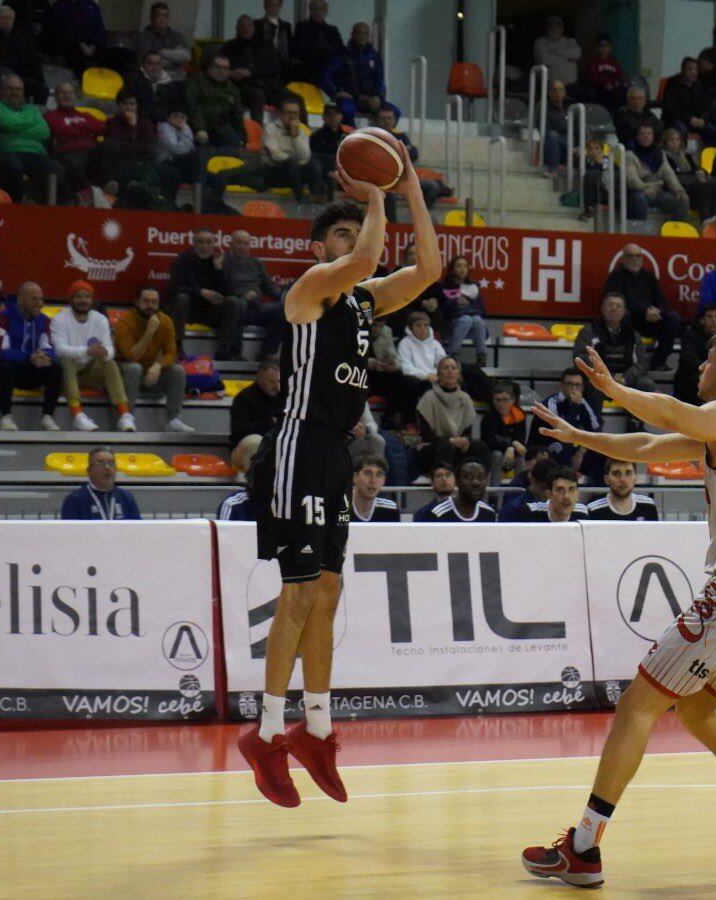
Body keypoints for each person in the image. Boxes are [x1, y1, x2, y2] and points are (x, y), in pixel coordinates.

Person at [523, 330, 716, 889]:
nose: (701, 366)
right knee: (697, 709)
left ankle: (583, 848)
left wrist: (613, 387)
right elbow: (648, 448)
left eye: (708, 360)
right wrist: (582, 433)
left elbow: (671, 412)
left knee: (638, 704)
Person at [237, 143, 442, 809]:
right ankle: (265, 734)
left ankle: (316, 728)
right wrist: (374, 194)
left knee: (327, 591)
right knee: (298, 594)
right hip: (296, 446)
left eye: (356, 230)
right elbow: (366, 261)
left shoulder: (362, 302)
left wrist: (408, 187)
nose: (354, 242)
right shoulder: (310, 290)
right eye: (342, 232)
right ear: (320, 246)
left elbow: (430, 269)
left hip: (334, 456)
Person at [49, 282, 133, 433]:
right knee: (67, 361)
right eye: (79, 296)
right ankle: (77, 415)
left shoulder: (100, 319)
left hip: (91, 372)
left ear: (92, 300)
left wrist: (104, 353)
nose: (83, 300)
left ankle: (125, 415)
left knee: (109, 362)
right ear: (71, 299)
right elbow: (60, 350)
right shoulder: (59, 319)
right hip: (66, 375)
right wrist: (87, 351)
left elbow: (110, 349)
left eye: (87, 297)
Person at [114, 285, 194, 434]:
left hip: (151, 373)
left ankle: (173, 419)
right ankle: (127, 416)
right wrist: (149, 331)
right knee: (134, 368)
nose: (150, 305)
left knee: (177, 370)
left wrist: (158, 365)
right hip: (126, 375)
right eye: (146, 301)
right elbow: (132, 356)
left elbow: (171, 352)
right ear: (136, 302)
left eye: (154, 302)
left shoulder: (166, 321)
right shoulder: (124, 322)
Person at [0, 282, 62, 432]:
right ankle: (6, 416)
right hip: (0, 371)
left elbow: (49, 346)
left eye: (41, 299)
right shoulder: (3, 317)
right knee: (7, 367)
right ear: (21, 299)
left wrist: (44, 356)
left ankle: (48, 416)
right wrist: (30, 357)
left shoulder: (44, 320)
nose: (39, 304)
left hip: (28, 371)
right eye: (34, 299)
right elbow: (0, 350)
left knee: (56, 369)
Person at [166, 228, 246, 359]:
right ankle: (176, 346)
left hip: (211, 311)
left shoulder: (221, 261)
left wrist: (218, 268)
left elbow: (230, 291)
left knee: (233, 302)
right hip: (188, 311)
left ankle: (224, 349)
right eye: (200, 242)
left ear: (214, 244)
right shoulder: (182, 260)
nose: (205, 246)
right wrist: (200, 292)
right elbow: (175, 287)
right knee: (182, 298)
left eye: (209, 242)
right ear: (194, 244)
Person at [601, 243, 681, 371]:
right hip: (631, 321)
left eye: (638, 256)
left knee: (673, 318)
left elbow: (662, 300)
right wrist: (644, 312)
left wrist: (658, 311)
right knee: (622, 315)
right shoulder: (615, 278)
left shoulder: (648, 276)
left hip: (651, 320)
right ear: (623, 259)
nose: (635, 259)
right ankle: (630, 362)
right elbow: (617, 304)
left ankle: (658, 362)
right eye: (631, 256)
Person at [0, 74, 64, 202]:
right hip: (8, 153)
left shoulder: (32, 109)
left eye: (18, 89)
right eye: (11, 88)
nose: (15, 92)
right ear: (3, 91)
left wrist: (15, 127)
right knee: (12, 166)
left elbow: (43, 131)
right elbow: (6, 122)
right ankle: (15, 204)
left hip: (35, 154)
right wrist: (29, 124)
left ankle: (34, 200)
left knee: (55, 167)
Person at [574, 294, 654, 407]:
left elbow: (642, 363)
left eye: (618, 306)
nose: (614, 308)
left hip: (625, 381)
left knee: (646, 384)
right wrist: (608, 377)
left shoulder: (633, 335)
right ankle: (595, 423)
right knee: (593, 384)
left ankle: (634, 423)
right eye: (610, 305)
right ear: (602, 308)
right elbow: (581, 359)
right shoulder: (588, 332)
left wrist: (626, 378)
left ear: (624, 311)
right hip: (601, 380)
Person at [415, 356, 488, 475]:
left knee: (479, 446)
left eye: (453, 368)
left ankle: (479, 483)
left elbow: (467, 432)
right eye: (445, 368)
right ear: (438, 373)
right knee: (446, 446)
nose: (450, 371)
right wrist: (450, 440)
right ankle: (443, 480)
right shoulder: (428, 397)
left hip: (457, 448)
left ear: (458, 374)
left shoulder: (465, 398)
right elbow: (426, 435)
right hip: (432, 449)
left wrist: (464, 442)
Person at [224, 230, 288, 360]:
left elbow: (270, 287)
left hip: (255, 309)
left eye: (246, 244)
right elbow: (221, 287)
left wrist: (286, 298)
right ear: (230, 245)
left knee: (285, 309)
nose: (243, 247)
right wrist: (242, 295)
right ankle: (234, 352)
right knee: (238, 304)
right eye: (239, 243)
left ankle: (266, 353)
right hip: (234, 309)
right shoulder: (224, 262)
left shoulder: (256, 263)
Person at [45, 82, 104, 197]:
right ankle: (90, 193)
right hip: (69, 152)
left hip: (91, 151)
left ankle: (106, 190)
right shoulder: (50, 115)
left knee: (110, 148)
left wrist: (74, 125)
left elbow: (101, 127)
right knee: (76, 162)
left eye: (70, 93)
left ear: (75, 97)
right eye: (63, 93)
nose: (67, 95)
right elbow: (59, 129)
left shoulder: (85, 115)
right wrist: (84, 127)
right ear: (56, 98)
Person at [59, 447, 142, 520]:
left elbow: (138, 531)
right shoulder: (75, 499)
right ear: (89, 471)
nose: (107, 467)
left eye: (111, 463)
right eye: (100, 462)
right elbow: (69, 534)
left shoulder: (126, 497)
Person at [433, 255, 488, 361]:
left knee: (478, 320)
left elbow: (482, 310)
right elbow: (442, 309)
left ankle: (482, 356)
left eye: (465, 266)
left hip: (471, 323)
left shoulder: (473, 287)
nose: (463, 269)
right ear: (452, 270)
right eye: (459, 266)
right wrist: (455, 302)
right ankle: (453, 355)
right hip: (451, 324)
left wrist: (469, 303)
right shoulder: (444, 286)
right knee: (466, 319)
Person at [186, 55, 247, 150]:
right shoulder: (196, 81)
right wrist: (199, 128)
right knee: (204, 151)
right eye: (217, 67)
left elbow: (237, 114)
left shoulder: (232, 89)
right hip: (199, 128)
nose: (221, 71)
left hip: (222, 129)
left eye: (225, 68)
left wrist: (242, 137)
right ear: (209, 67)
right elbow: (191, 107)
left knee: (234, 143)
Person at [481, 379, 531, 479]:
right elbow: (488, 442)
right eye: (497, 400)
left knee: (521, 457)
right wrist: (510, 447)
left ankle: (519, 489)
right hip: (494, 453)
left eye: (505, 400)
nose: (501, 404)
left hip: (512, 453)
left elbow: (520, 439)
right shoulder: (488, 417)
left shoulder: (519, 415)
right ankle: (495, 492)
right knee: (497, 455)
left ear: (512, 399)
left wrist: (511, 448)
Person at [661, 57, 716, 147]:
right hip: (677, 120)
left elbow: (706, 106)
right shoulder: (673, 84)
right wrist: (689, 119)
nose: (693, 72)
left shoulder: (699, 85)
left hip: (696, 121)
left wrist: (703, 119)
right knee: (682, 130)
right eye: (690, 69)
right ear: (683, 70)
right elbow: (670, 108)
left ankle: (709, 157)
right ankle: (682, 157)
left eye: (695, 69)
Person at [675, 307, 716, 405]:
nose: (714, 320)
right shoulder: (690, 335)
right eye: (710, 316)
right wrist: (711, 369)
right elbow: (689, 360)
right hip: (692, 377)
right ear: (702, 320)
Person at [230, 359, 283, 448]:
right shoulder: (244, 398)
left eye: (278, 381)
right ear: (259, 378)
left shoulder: (283, 396)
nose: (276, 386)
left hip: (275, 446)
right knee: (254, 442)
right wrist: (270, 423)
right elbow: (239, 431)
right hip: (246, 447)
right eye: (271, 381)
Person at [585, 459, 659, 521]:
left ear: (636, 477)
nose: (623, 480)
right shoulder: (593, 510)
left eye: (628, 473)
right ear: (606, 479)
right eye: (616, 474)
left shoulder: (648, 506)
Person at [131, 2, 192, 75]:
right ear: (151, 17)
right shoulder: (143, 36)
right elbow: (148, 63)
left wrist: (162, 52)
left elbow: (187, 57)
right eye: (158, 16)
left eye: (166, 16)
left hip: (177, 76)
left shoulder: (176, 36)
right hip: (154, 77)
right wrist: (175, 58)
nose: (162, 19)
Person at [291, 0, 342, 84]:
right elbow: (298, 50)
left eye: (322, 9)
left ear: (326, 11)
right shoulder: (301, 28)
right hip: (308, 70)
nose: (318, 12)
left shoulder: (332, 30)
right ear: (310, 10)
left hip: (330, 71)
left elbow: (340, 51)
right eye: (315, 9)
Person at [518, 465, 588, 522]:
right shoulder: (530, 513)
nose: (566, 496)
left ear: (578, 493)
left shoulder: (583, 513)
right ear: (549, 494)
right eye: (560, 490)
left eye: (571, 489)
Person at [579, 34, 626, 113]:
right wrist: (605, 83)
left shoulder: (614, 61)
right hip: (599, 89)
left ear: (610, 47)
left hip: (614, 88)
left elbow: (619, 75)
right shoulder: (593, 61)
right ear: (597, 47)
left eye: (606, 46)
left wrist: (614, 84)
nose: (604, 48)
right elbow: (592, 77)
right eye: (601, 46)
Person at [533, 15, 580, 87]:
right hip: (550, 86)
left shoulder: (570, 41)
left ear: (562, 29)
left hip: (572, 85)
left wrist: (555, 51)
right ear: (546, 28)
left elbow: (577, 55)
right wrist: (568, 58)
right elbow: (545, 60)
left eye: (558, 26)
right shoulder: (540, 42)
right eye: (550, 26)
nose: (554, 29)